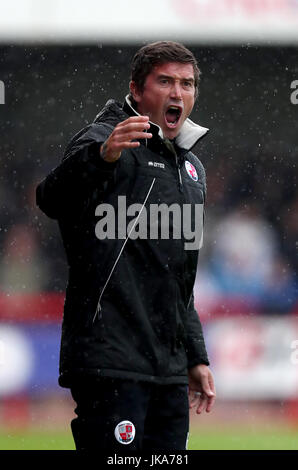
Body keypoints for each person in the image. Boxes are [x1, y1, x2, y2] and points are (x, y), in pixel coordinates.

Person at [36, 41, 215, 451]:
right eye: (165, 81)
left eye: (186, 84)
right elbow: (50, 198)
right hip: (110, 358)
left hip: (167, 370)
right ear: (136, 89)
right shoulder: (103, 139)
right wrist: (102, 156)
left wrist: (195, 355)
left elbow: (178, 275)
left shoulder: (191, 169)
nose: (177, 93)